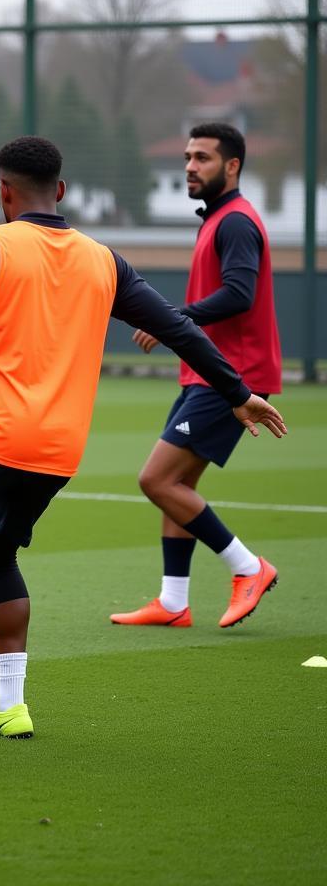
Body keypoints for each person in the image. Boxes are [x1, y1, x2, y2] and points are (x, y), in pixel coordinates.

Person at [0, 136, 286, 761]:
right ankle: (9, 704)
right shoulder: (104, 260)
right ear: (63, 192)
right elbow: (176, 327)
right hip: (56, 453)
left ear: (4, 192)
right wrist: (237, 392)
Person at [110, 123, 283, 630]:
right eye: (187, 156)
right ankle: (172, 601)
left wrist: (175, 320)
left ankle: (249, 568)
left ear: (232, 166)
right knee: (177, 483)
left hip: (233, 377)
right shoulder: (217, 219)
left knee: (156, 479)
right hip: (205, 374)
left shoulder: (235, 223)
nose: (189, 165)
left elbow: (239, 294)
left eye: (203, 157)